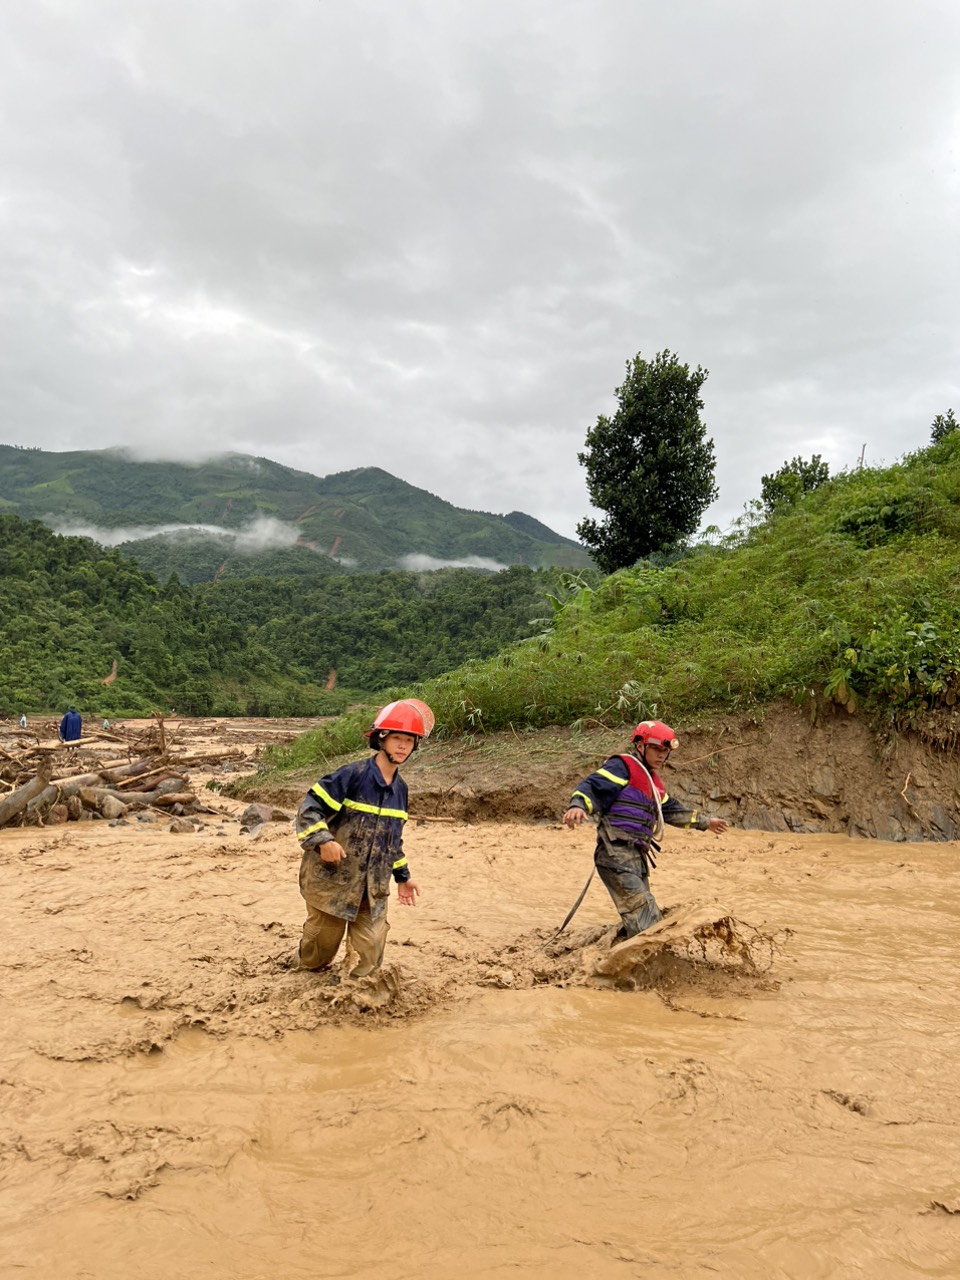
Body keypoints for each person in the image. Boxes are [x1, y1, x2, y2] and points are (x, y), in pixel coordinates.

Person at [294, 698, 433, 978]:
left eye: (409, 740)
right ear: (382, 739)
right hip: (332, 880)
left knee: (369, 955)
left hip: (373, 887)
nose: (403, 746)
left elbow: (391, 842)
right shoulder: (352, 776)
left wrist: (403, 877)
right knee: (319, 950)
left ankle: (357, 1003)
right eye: (397, 738)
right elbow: (309, 808)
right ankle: (305, 979)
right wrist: (323, 841)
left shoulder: (401, 790)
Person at [562, 719, 729, 939]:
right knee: (647, 921)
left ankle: (616, 955)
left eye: (666, 751)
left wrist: (707, 822)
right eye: (657, 749)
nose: (662, 755)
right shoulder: (621, 767)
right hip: (615, 856)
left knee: (642, 917)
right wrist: (578, 805)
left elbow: (671, 810)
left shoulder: (653, 784)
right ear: (640, 746)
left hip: (636, 859)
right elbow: (592, 786)